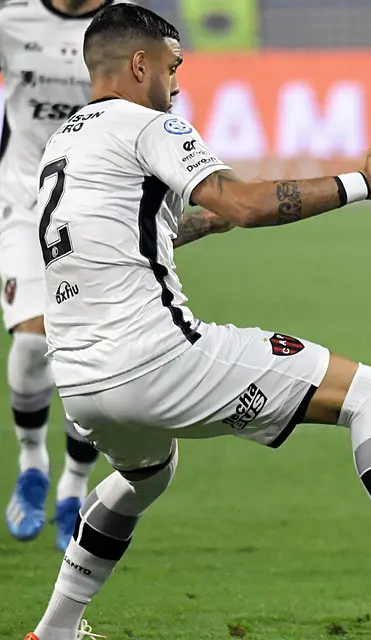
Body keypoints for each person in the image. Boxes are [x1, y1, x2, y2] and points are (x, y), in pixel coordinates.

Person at [25, 4, 371, 640]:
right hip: (153, 357)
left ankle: (56, 628)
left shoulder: (65, 141)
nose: (177, 83)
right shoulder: (149, 124)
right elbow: (246, 201)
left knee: (143, 476)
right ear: (139, 64)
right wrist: (362, 183)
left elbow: (149, 234)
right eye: (173, 67)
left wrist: (219, 220)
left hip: (80, 381)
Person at [0, 0, 115, 552]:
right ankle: (32, 464)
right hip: (22, 203)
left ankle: (74, 485)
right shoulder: (11, 18)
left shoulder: (126, 25)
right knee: (31, 341)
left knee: (86, 353)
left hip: (97, 209)